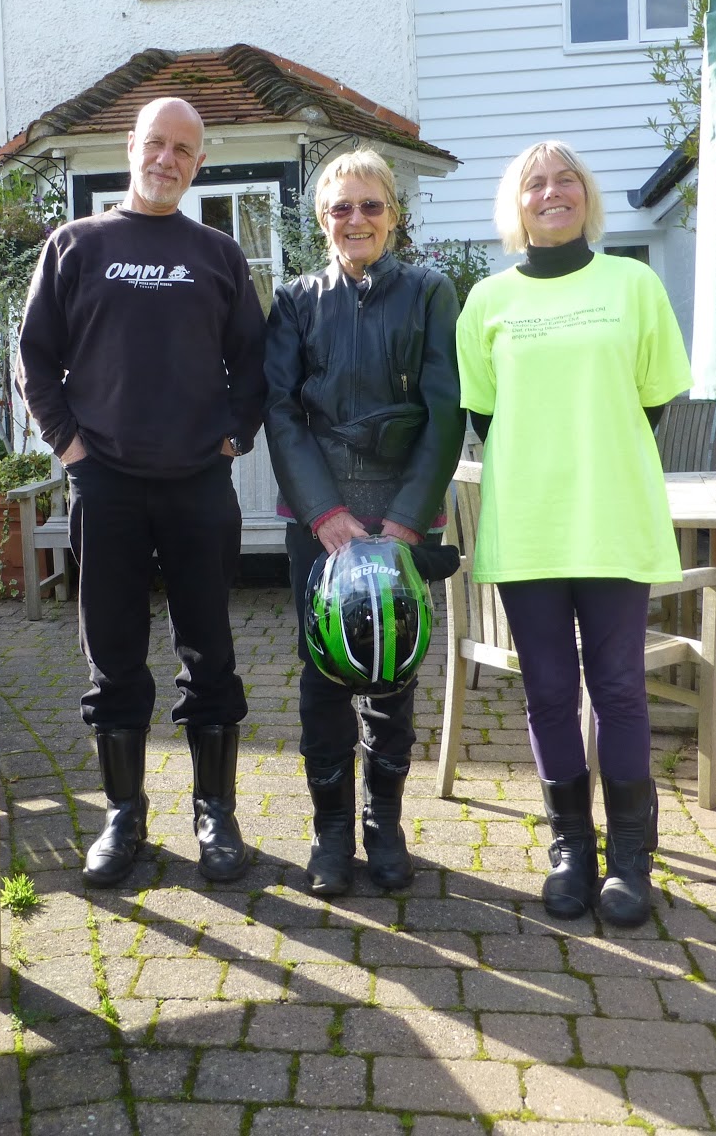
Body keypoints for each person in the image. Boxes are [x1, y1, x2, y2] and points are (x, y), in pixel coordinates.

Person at [16, 97, 267, 889]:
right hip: (108, 486)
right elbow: (34, 358)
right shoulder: (75, 245)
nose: (167, 159)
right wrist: (71, 450)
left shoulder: (218, 254)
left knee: (211, 653)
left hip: (199, 485)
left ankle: (215, 813)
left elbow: (253, 362)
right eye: (156, 143)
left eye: (184, 149)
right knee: (113, 658)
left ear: (200, 162)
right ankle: (123, 815)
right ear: (130, 147)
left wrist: (232, 437)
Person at [455, 140, 691, 928]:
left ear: (587, 196)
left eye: (566, 180)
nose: (552, 193)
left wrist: (597, 453)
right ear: (515, 204)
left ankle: (630, 857)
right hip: (529, 524)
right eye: (535, 183)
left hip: (613, 516)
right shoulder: (486, 302)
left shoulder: (634, 284)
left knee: (618, 688)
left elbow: (652, 401)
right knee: (550, 692)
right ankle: (571, 850)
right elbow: (486, 416)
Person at [264, 148, 463, 895]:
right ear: (322, 219)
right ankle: (331, 832)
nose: (357, 219)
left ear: (394, 215)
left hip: (401, 511)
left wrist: (406, 523)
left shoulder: (431, 292)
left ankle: (385, 824)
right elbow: (281, 411)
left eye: (371, 205)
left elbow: (447, 407)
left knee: (392, 670)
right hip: (319, 517)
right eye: (341, 207)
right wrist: (325, 514)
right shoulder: (295, 300)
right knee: (324, 673)